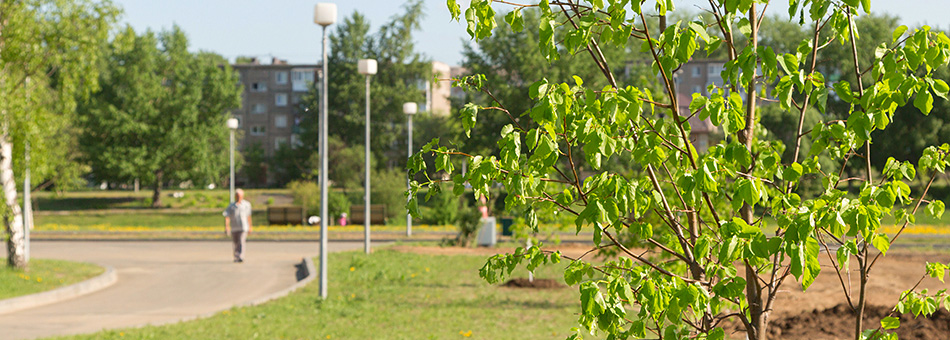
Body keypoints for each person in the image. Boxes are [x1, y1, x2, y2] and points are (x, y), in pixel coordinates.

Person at [223, 188, 252, 263]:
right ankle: (236, 256)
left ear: (242, 196)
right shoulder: (231, 206)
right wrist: (227, 226)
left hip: (243, 227)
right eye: (237, 196)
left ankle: (241, 256)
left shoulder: (246, 205)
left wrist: (250, 226)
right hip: (234, 227)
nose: (238, 197)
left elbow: (248, 216)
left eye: (240, 196)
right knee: (235, 243)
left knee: (241, 241)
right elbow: (227, 216)